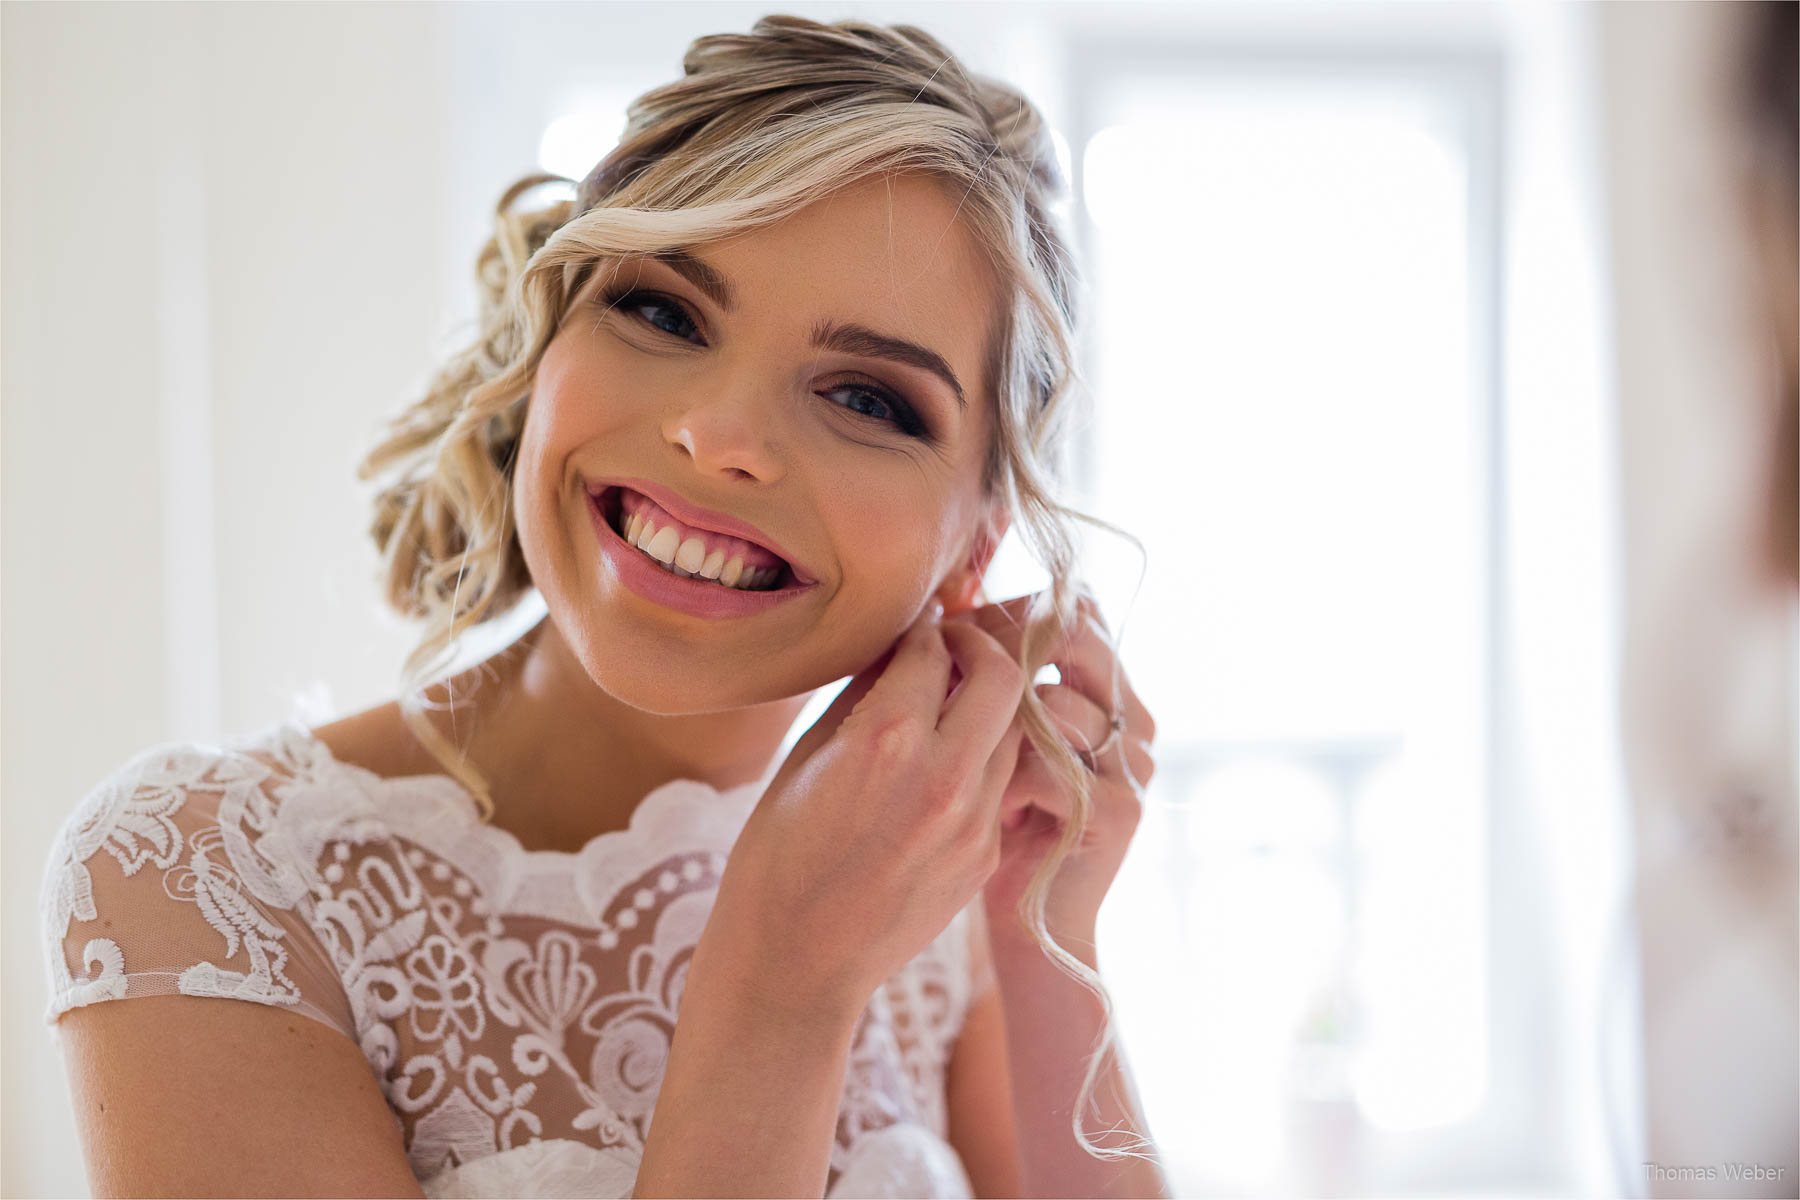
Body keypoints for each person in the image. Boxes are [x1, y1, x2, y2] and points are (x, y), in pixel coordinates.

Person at [40, 15, 1170, 1198]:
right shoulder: (199, 878)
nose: (721, 436)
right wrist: (782, 990)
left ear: (973, 548)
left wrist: (1045, 920)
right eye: (665, 312)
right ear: (545, 347)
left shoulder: (930, 895)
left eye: (869, 399)